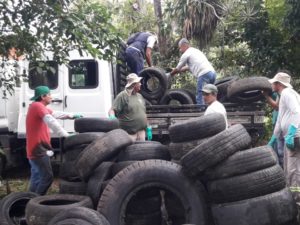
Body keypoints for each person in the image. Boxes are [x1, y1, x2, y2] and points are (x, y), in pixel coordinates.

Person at [26, 86, 82, 195]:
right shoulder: (37, 106)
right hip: (38, 150)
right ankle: (35, 201)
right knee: (47, 178)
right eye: (49, 94)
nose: (51, 97)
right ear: (43, 96)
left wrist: (72, 115)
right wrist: (65, 134)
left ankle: (28, 200)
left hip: (34, 149)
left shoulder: (37, 106)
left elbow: (55, 114)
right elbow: (51, 121)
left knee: (37, 178)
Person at [268, 72, 300, 211]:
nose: (272, 85)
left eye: (274, 83)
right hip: (291, 136)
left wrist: (292, 133)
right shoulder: (284, 96)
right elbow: (280, 119)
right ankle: (294, 199)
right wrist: (273, 138)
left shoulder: (287, 93)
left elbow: (297, 112)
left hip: (295, 136)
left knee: (293, 171)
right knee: (289, 169)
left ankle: (297, 204)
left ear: (279, 84)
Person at [170, 38, 216, 105]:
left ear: (184, 46)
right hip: (212, 73)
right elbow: (186, 68)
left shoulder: (186, 54)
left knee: (200, 93)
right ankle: (212, 109)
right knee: (210, 94)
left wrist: (170, 74)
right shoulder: (195, 51)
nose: (180, 50)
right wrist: (175, 70)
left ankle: (201, 111)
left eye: (180, 48)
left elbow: (177, 68)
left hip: (204, 74)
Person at [108, 73, 152, 141]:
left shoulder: (139, 96)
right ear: (134, 84)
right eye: (139, 83)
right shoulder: (123, 96)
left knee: (142, 151)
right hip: (129, 135)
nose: (140, 84)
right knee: (129, 151)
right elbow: (112, 110)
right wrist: (112, 118)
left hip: (141, 132)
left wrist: (148, 127)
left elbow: (143, 114)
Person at [263, 91, 284, 167]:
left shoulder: (282, 93)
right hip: (277, 122)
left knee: (280, 149)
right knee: (276, 147)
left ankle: (281, 168)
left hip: (281, 124)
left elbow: (276, 106)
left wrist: (266, 95)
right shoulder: (276, 93)